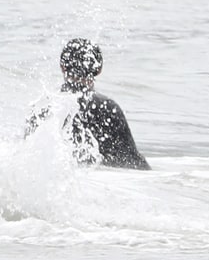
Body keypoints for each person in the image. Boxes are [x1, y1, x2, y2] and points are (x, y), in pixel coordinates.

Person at [25, 39, 149, 170]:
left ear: (62, 66)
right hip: (100, 183)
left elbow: (28, 155)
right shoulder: (107, 107)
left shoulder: (43, 106)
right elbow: (132, 162)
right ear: (99, 69)